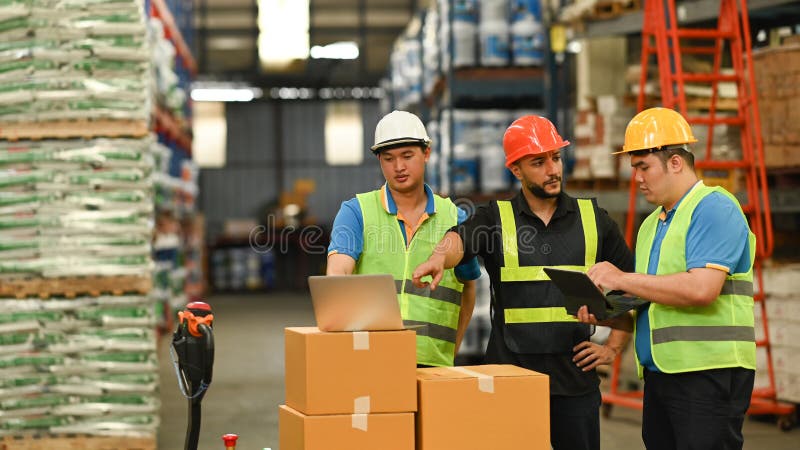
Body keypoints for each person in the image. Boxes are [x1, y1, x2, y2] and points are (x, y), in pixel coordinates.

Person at [411, 115, 634, 450]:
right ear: (516, 170)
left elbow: (632, 285)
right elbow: (460, 238)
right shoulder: (495, 218)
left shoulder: (594, 220)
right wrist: (439, 258)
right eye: (539, 162)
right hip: (508, 381)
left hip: (574, 386)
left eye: (556, 158)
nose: (553, 170)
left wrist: (614, 346)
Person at [576, 107, 756, 450]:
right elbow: (648, 299)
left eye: (644, 167)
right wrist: (606, 314)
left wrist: (622, 277)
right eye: (634, 168)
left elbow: (702, 289)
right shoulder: (651, 225)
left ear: (675, 162)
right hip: (662, 374)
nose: (637, 177)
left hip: (709, 373)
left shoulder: (714, 207)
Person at [326, 110, 480, 367]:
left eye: (407, 156)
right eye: (388, 159)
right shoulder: (356, 212)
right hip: (370, 362)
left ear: (427, 153)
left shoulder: (454, 216)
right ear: (379, 161)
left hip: (434, 365)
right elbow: (338, 272)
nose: (398, 167)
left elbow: (469, 288)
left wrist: (450, 353)